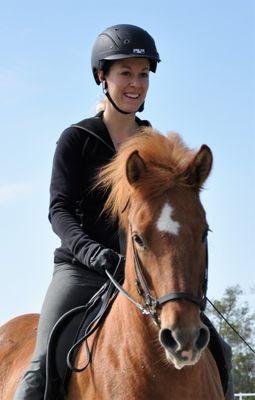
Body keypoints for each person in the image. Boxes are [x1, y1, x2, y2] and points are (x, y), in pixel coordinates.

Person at [14, 24, 160, 400]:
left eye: (143, 74)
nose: (135, 83)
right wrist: (94, 253)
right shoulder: (76, 139)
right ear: (102, 77)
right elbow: (59, 211)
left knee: (216, 351)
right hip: (81, 271)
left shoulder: (154, 144)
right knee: (42, 364)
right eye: (125, 73)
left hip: (143, 275)